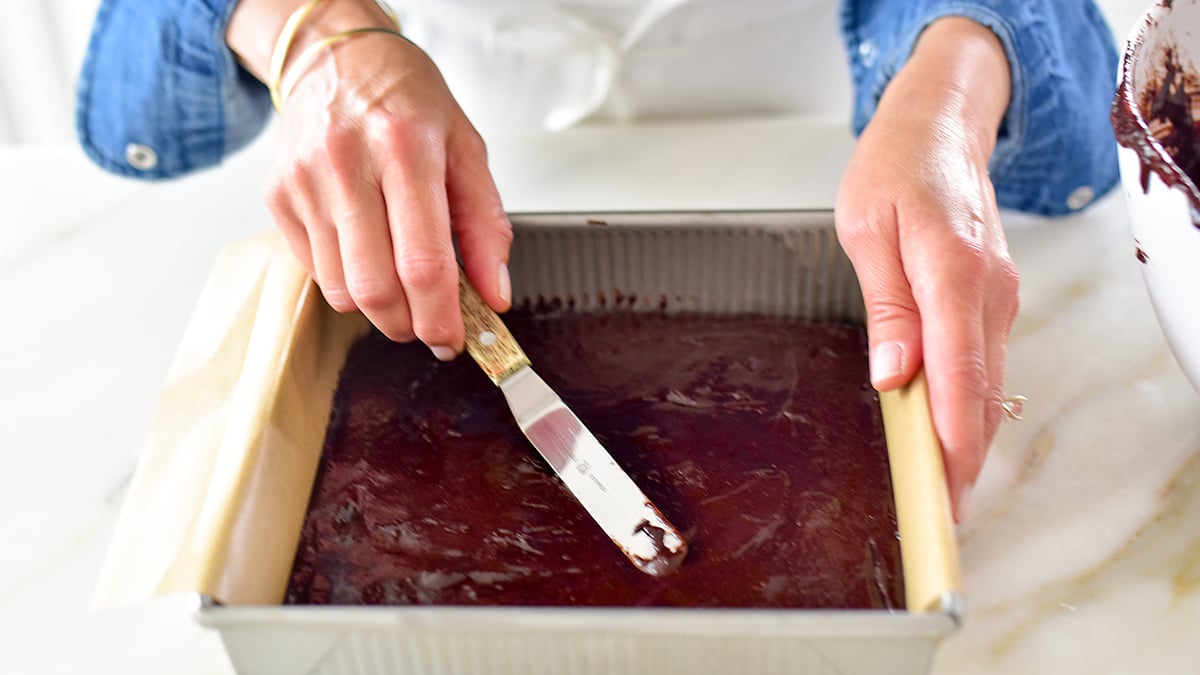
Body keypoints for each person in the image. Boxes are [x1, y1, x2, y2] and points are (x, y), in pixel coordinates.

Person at [76, 0, 1120, 522]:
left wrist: (949, 84)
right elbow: (138, 85)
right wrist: (311, 35)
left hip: (827, 139)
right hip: (419, 159)